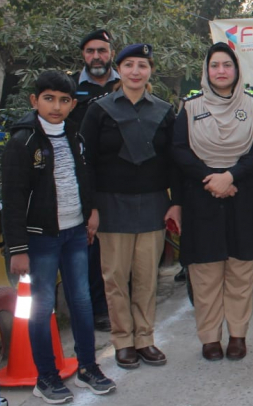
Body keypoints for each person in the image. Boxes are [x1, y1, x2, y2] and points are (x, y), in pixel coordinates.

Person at [3, 71, 116, 403]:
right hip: (40, 239)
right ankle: (46, 377)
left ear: (72, 104)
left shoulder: (75, 136)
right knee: (42, 307)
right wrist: (17, 249)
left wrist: (91, 210)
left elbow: (85, 177)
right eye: (49, 98)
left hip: (75, 232)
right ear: (34, 101)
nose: (56, 106)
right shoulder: (22, 141)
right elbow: (11, 199)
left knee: (81, 302)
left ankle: (87, 368)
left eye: (64, 100)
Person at [80, 43, 181, 370]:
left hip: (153, 204)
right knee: (115, 278)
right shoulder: (99, 109)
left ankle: (145, 339)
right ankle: (123, 341)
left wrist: (175, 203)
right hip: (111, 206)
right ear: (118, 70)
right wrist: (91, 207)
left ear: (150, 71)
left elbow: (174, 163)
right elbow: (87, 163)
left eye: (142, 66)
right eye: (129, 65)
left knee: (146, 278)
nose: (136, 72)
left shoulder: (165, 111)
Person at [171, 43, 253, 361]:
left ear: (237, 70)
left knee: (241, 272)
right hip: (202, 199)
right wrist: (211, 179)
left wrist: (230, 177)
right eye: (214, 65)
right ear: (206, 71)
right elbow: (179, 150)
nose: (221, 71)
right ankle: (210, 338)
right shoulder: (189, 108)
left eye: (227, 65)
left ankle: (238, 336)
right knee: (206, 273)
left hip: (244, 198)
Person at [69, 29, 117, 333]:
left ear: (111, 52)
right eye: (90, 51)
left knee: (117, 246)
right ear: (83, 55)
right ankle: (97, 309)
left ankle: (118, 306)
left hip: (119, 178)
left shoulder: (124, 81)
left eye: (102, 50)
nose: (96, 56)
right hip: (81, 176)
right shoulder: (71, 87)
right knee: (90, 245)